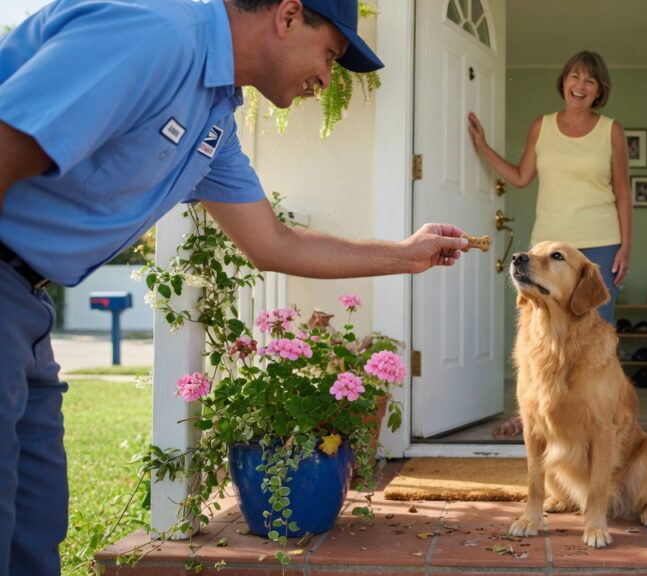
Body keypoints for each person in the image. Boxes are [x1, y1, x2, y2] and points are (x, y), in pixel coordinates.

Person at [0, 0, 469, 573]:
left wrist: (405, 255)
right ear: (289, 14)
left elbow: (273, 241)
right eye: (330, 54)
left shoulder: (214, 121)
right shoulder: (159, 36)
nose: (326, 79)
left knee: (33, 526)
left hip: (27, 303)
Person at [466, 50, 632, 439]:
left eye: (590, 81)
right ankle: (531, 416)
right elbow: (522, 176)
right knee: (536, 327)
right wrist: (483, 147)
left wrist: (626, 246)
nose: (580, 85)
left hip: (601, 241)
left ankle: (592, 419)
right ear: (564, 82)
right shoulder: (542, 127)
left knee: (596, 335)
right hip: (548, 247)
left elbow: (623, 191)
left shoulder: (612, 130)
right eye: (575, 77)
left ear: (598, 91)